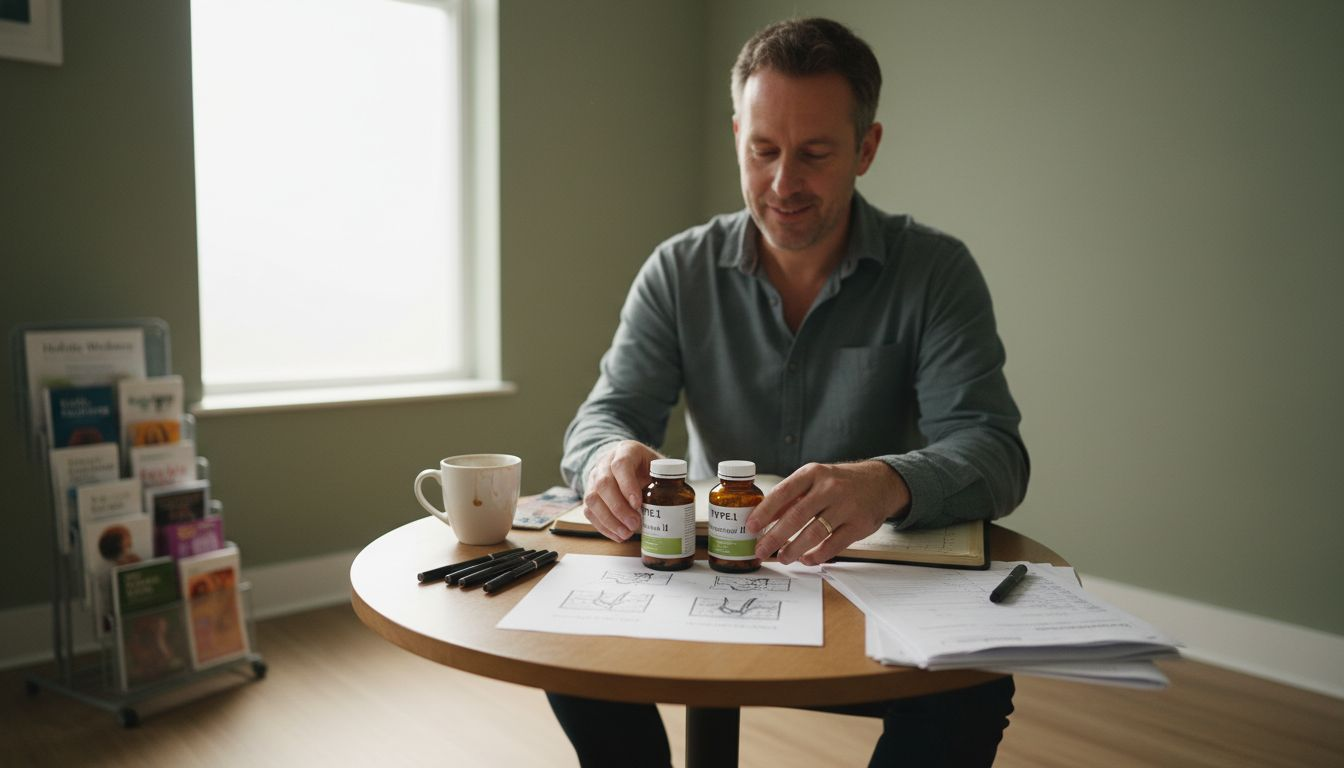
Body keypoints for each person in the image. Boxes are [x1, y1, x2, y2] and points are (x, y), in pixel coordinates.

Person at [552, 17, 1029, 768]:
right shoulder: (677, 271)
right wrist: (609, 455)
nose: (782, 184)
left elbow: (995, 451)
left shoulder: (936, 271)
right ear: (736, 133)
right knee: (568, 649)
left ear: (866, 149)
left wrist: (888, 481)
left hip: (872, 583)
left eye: (813, 154)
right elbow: (603, 418)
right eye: (762, 150)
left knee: (972, 688)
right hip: (712, 575)